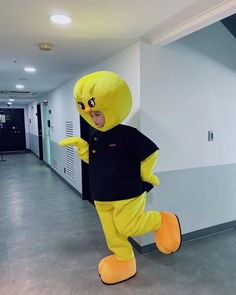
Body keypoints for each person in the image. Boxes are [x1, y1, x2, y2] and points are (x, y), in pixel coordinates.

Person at [59, 71, 182, 285]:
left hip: (128, 193)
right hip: (101, 196)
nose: (94, 119)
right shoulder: (95, 135)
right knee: (113, 234)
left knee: (128, 228)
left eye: (98, 113)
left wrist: (146, 178)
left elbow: (150, 153)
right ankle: (124, 260)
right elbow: (94, 161)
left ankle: (162, 219)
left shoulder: (128, 134)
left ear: (112, 106)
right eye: (90, 114)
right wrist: (81, 147)